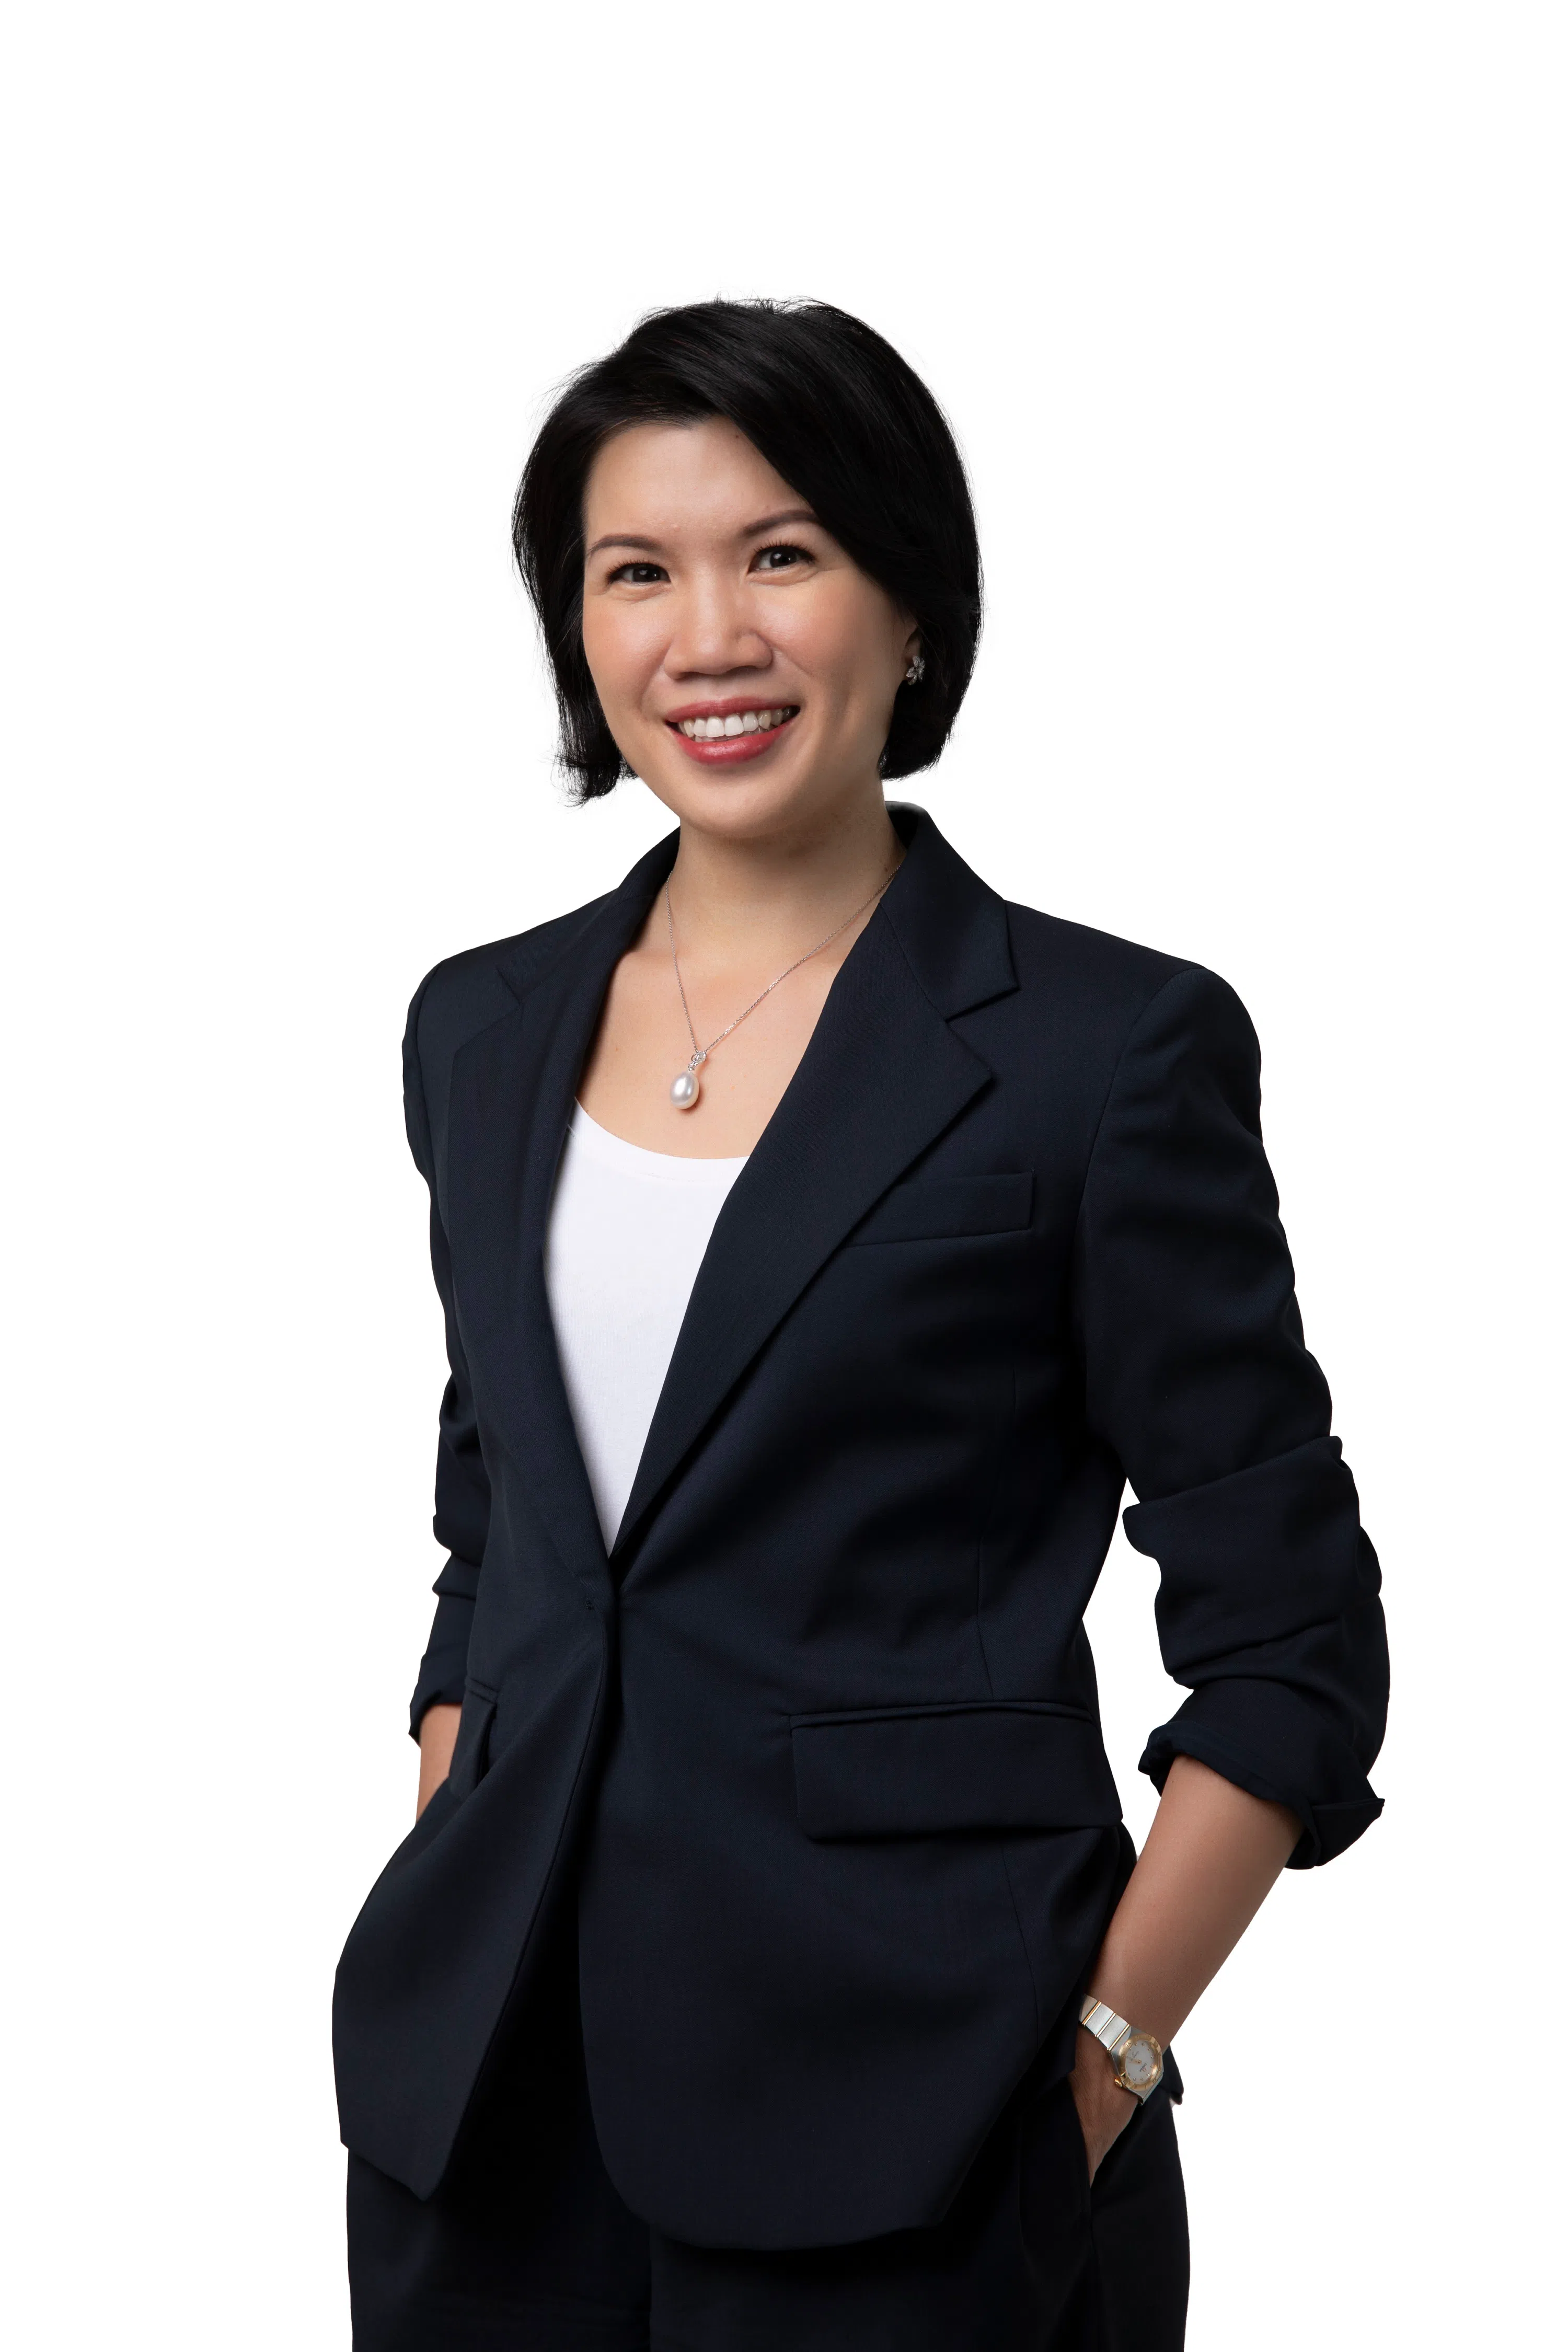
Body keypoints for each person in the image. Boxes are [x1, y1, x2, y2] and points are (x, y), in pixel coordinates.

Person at [334, 299, 1388, 2350]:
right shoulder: (481, 1028)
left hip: (924, 2141)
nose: (708, 635)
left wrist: (1097, 2072)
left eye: (783, 554)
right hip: (485, 2134)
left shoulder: (1105, 1053)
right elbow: (502, 1535)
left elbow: (1293, 1643)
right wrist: (448, 1851)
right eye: (636, 572)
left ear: (911, 608)